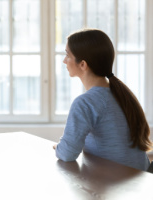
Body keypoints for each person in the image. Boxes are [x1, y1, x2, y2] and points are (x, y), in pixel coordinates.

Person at [53, 28, 151, 171]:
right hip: (141, 181)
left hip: (117, 186)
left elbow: (67, 153)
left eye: (67, 55)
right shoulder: (121, 94)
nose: (64, 61)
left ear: (83, 64)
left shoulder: (85, 102)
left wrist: (59, 147)